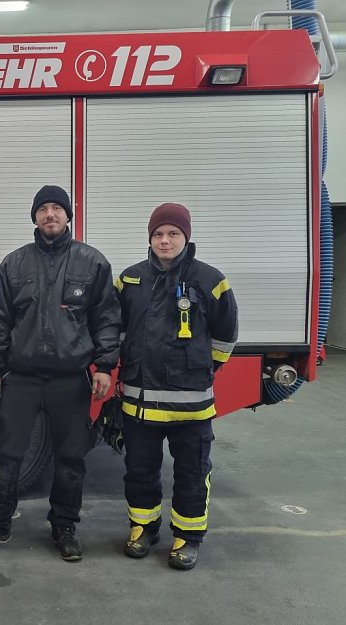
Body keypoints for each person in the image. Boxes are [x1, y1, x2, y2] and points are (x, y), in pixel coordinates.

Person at [0, 185, 121, 561]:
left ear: (69, 215)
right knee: (6, 456)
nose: (50, 214)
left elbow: (107, 319)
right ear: (34, 217)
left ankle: (64, 528)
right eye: (43, 209)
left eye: (57, 208)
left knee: (71, 458)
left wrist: (104, 366)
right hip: (22, 378)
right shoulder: (14, 264)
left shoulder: (92, 262)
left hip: (71, 378)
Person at [115, 202, 238, 570]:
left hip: (192, 404)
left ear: (186, 237)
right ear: (149, 238)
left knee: (191, 472)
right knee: (139, 469)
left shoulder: (210, 279)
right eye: (158, 234)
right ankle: (143, 527)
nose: (164, 241)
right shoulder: (130, 279)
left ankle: (187, 537)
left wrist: (201, 368)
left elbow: (226, 334)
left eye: (172, 234)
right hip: (139, 401)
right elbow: (115, 331)